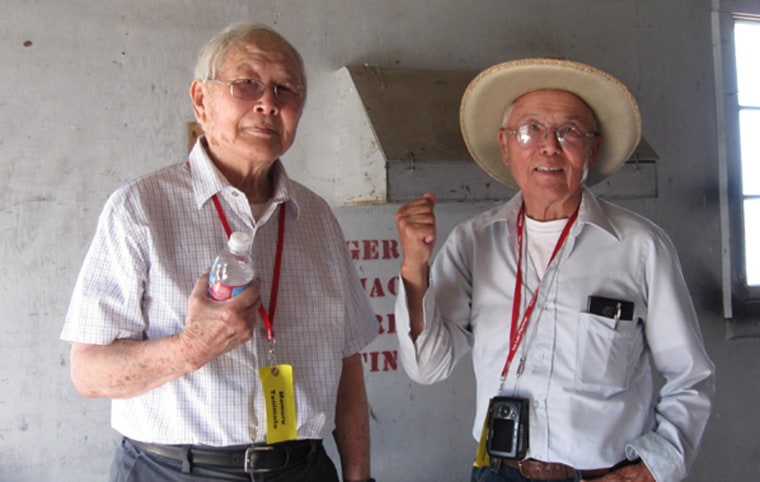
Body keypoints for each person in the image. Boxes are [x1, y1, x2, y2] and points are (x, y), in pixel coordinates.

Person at [61, 22, 377, 482]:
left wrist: (359, 477)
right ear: (201, 100)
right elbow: (88, 373)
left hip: (302, 468)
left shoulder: (317, 218)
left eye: (285, 89)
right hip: (174, 470)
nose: (268, 102)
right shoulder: (140, 209)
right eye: (246, 84)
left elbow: (348, 363)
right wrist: (189, 349)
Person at [394, 58, 714, 482]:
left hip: (601, 474)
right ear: (506, 146)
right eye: (531, 130)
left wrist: (656, 466)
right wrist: (415, 267)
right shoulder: (474, 242)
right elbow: (428, 367)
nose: (549, 146)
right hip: (499, 472)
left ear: (592, 150)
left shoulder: (641, 247)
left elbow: (690, 376)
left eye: (569, 132)